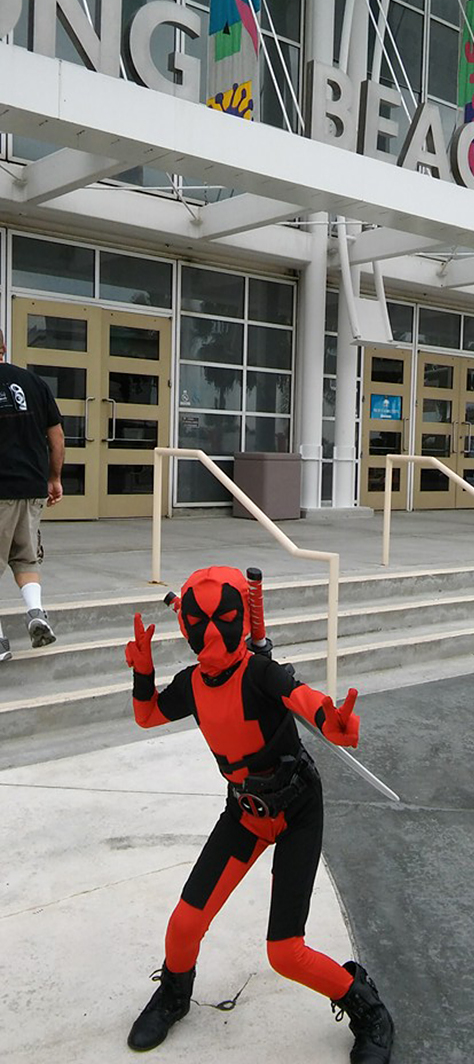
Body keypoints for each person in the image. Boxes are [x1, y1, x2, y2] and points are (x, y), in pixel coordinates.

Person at [124, 565, 394, 1064]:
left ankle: (367, 1006)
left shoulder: (259, 673)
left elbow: (301, 696)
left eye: (224, 618)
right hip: (245, 813)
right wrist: (143, 674)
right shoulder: (192, 685)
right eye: (198, 621)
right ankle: (174, 995)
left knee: (285, 952)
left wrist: (330, 720)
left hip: (296, 810)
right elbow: (147, 715)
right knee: (184, 925)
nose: (211, 633)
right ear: (184, 625)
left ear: (241, 621)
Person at [0, 335, 64, 660]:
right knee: (25, 557)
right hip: (31, 486)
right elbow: (56, 436)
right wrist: (53, 478)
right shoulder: (33, 382)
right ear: (3, 348)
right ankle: (36, 613)